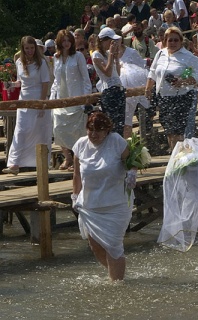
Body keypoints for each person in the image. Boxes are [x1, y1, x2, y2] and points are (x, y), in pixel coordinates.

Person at [72, 112, 134, 281]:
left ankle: (118, 286)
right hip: (91, 204)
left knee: (113, 246)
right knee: (95, 245)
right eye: (90, 129)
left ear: (107, 130)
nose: (94, 134)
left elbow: (131, 164)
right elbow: (77, 175)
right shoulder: (80, 145)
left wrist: (131, 175)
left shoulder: (116, 142)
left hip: (116, 203)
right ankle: (116, 273)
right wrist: (75, 196)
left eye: (99, 130)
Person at [145, 27, 198, 152]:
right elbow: (153, 72)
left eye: (176, 40)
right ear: (165, 41)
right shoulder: (160, 53)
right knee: (169, 131)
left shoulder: (189, 57)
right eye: (170, 40)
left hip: (181, 97)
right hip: (163, 97)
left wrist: (183, 82)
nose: (173, 43)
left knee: (177, 131)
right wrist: (148, 88)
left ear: (181, 41)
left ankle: (179, 159)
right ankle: (175, 157)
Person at [3, 36, 51, 175]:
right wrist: (10, 85)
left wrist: (42, 104)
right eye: (27, 48)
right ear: (23, 49)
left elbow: (45, 83)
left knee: (40, 132)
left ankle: (42, 164)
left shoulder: (41, 62)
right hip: (24, 99)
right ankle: (15, 163)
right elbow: (20, 82)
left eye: (32, 48)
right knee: (21, 130)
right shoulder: (19, 62)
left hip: (38, 98)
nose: (29, 51)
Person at [50, 30, 91, 171]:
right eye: (63, 41)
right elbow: (56, 80)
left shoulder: (78, 56)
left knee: (78, 131)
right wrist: (52, 98)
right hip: (61, 98)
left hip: (77, 98)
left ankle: (77, 160)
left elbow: (86, 79)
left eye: (68, 40)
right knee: (58, 127)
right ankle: (67, 157)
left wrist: (86, 98)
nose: (66, 43)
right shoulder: (56, 58)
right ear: (59, 42)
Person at [92, 27, 126, 136]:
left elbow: (118, 73)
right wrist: (111, 55)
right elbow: (107, 72)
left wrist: (115, 58)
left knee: (120, 125)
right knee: (113, 125)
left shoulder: (107, 54)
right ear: (103, 41)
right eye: (111, 41)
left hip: (119, 89)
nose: (113, 43)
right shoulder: (96, 55)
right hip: (109, 91)